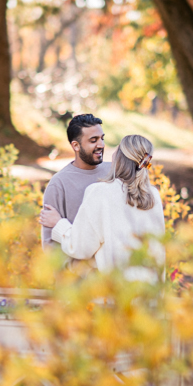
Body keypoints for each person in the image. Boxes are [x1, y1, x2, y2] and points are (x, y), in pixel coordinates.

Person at [38, 134, 166, 281]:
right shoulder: (153, 195)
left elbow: (81, 247)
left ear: (119, 158)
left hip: (118, 294)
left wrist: (58, 224)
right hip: (150, 293)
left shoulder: (100, 192)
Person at [41, 114, 112, 263]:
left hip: (114, 278)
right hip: (78, 280)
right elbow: (50, 245)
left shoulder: (114, 173)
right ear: (76, 146)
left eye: (102, 138)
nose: (101, 145)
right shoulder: (58, 184)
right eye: (93, 140)